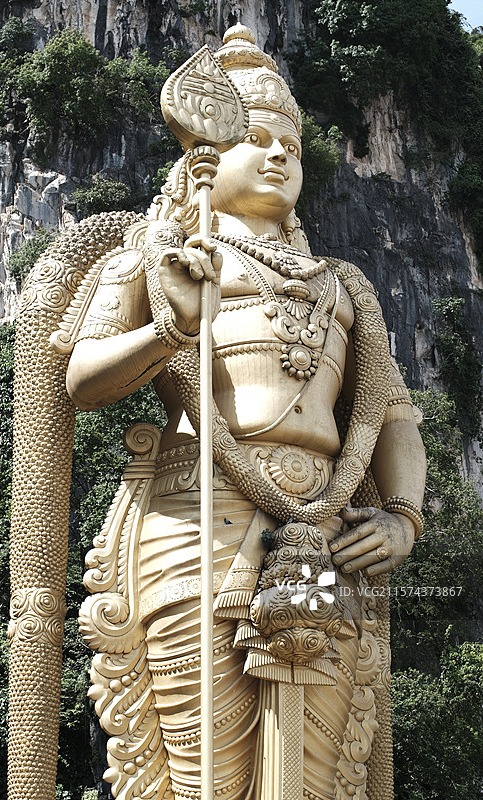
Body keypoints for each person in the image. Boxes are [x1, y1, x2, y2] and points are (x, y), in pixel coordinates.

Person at [67, 25, 426, 800]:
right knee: (204, 775)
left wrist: (401, 513)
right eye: (255, 139)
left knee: (321, 778)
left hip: (322, 531)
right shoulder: (161, 253)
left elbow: (391, 411)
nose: (277, 157)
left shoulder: (342, 283)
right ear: (203, 155)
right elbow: (83, 377)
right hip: (195, 518)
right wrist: (170, 328)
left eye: (290, 148)